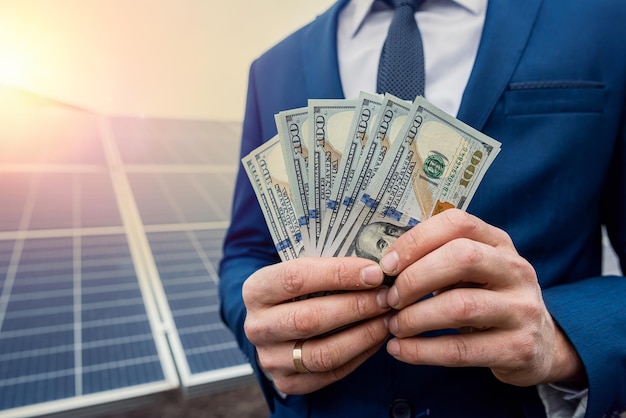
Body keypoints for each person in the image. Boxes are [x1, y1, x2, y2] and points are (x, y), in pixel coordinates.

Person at [219, 1, 626, 417]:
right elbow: (246, 250)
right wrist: (268, 335)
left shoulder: (608, 23)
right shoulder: (272, 68)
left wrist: (561, 340)